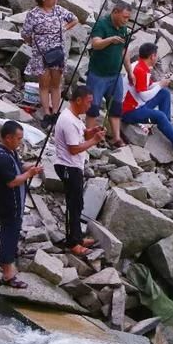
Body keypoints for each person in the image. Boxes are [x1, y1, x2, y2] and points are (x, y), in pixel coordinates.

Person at [0, 121, 43, 288]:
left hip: (16, 203)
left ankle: (11, 255)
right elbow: (12, 181)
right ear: (8, 137)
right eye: (18, 138)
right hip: (8, 204)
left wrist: (29, 167)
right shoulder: (0, 156)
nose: (20, 142)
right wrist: (29, 173)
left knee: (13, 231)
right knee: (8, 235)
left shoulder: (10, 151)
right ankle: (7, 274)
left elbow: (18, 167)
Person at [54, 86, 106, 255]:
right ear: (78, 100)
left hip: (75, 166)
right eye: (88, 102)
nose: (90, 106)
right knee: (73, 204)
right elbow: (74, 149)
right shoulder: (68, 120)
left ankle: (77, 237)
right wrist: (95, 140)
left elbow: (82, 134)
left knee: (78, 203)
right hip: (68, 166)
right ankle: (72, 243)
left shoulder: (75, 117)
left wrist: (92, 132)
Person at [21, 0, 79, 129]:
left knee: (56, 83)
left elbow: (75, 19)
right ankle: (47, 113)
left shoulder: (59, 10)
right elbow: (25, 34)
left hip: (57, 52)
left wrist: (63, 29)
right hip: (41, 54)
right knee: (44, 83)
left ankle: (55, 111)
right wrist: (36, 43)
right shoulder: (33, 14)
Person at [122, 43, 173, 157]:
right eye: (156, 55)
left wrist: (161, 83)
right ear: (152, 56)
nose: (157, 58)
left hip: (137, 104)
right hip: (129, 111)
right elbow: (144, 96)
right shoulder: (140, 70)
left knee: (164, 93)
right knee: (159, 115)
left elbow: (148, 86)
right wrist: (160, 85)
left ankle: (167, 126)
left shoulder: (140, 66)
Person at [86, 4, 135, 148]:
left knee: (116, 107)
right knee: (93, 108)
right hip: (98, 75)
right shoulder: (102, 24)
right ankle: (89, 138)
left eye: (128, 18)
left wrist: (130, 72)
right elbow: (95, 44)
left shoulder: (124, 29)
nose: (126, 20)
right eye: (124, 17)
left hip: (116, 75)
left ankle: (116, 138)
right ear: (115, 12)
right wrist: (110, 40)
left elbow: (124, 52)